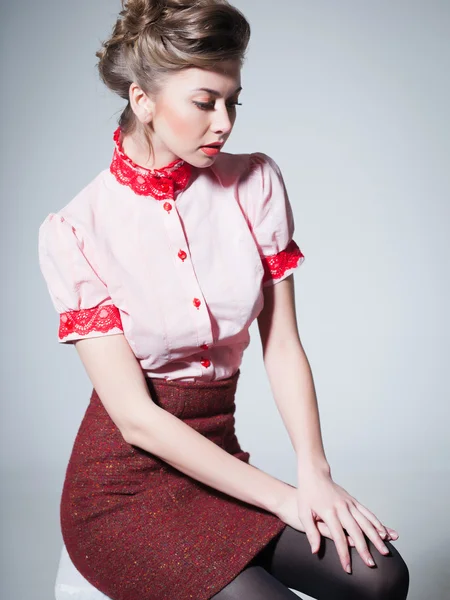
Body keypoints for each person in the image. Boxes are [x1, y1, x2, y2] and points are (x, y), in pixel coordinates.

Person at [38, 1, 410, 598]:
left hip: (220, 466)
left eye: (234, 101)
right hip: (121, 493)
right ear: (143, 101)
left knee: (383, 577)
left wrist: (313, 475)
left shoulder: (255, 182)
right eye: (205, 102)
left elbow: (283, 344)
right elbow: (137, 421)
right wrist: (284, 499)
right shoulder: (76, 230)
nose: (225, 122)